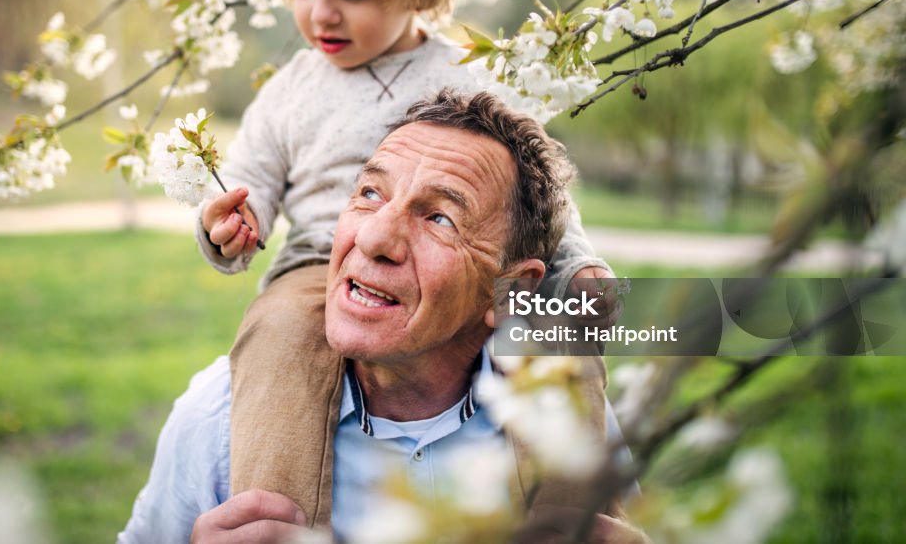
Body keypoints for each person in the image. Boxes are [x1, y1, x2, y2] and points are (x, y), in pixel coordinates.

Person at [194, 0, 619, 514]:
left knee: (555, 336)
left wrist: (576, 270)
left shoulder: (471, 74)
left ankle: (578, 519)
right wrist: (224, 228)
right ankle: (271, 516)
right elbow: (247, 182)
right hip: (321, 265)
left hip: (462, 266)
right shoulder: (292, 90)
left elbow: (540, 198)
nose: (321, 12)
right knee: (277, 334)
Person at [121, 91, 645, 543]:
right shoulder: (220, 416)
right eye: (370, 193)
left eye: (440, 217)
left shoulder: (569, 426)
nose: (372, 239)